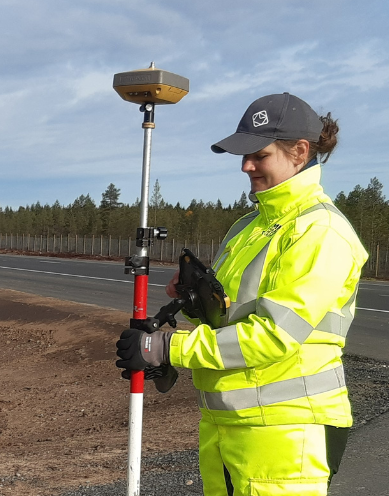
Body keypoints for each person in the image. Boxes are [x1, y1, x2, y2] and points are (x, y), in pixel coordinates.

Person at [117, 92, 368, 496]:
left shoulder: (320, 232)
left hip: (286, 431)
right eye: (244, 155)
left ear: (300, 152)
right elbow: (229, 319)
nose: (245, 165)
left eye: (259, 154)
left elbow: (274, 336)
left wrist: (168, 348)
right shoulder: (249, 226)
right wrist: (194, 303)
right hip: (230, 426)